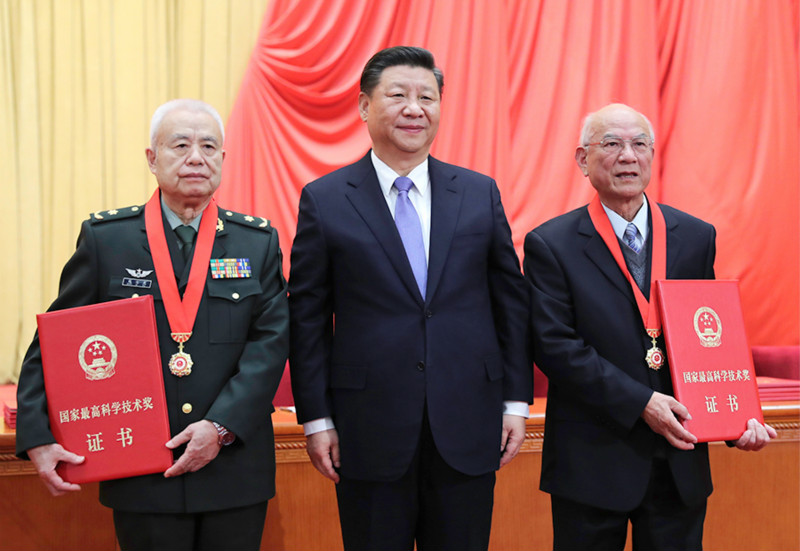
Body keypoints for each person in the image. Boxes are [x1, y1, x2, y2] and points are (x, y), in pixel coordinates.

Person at [16, 99, 289, 551]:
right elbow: (57, 340)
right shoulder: (108, 239)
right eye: (180, 145)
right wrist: (37, 434)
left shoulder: (256, 242)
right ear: (151, 158)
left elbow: (270, 343)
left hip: (232, 467)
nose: (196, 158)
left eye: (208, 146)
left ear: (223, 159)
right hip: (142, 469)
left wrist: (219, 427)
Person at [288, 46, 532, 551]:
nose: (414, 108)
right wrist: (316, 418)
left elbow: (511, 303)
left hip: (468, 420)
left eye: (427, 97)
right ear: (363, 107)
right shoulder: (326, 199)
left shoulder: (478, 192)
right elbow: (307, 318)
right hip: (367, 427)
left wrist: (514, 401)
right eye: (397, 95)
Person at [523, 102, 777, 550]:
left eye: (640, 144)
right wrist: (641, 402)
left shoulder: (696, 236)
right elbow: (554, 346)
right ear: (583, 160)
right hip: (593, 462)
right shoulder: (551, 243)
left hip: (679, 461)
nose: (628, 156)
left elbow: (708, 337)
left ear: (653, 156)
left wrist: (738, 419)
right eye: (612, 144)